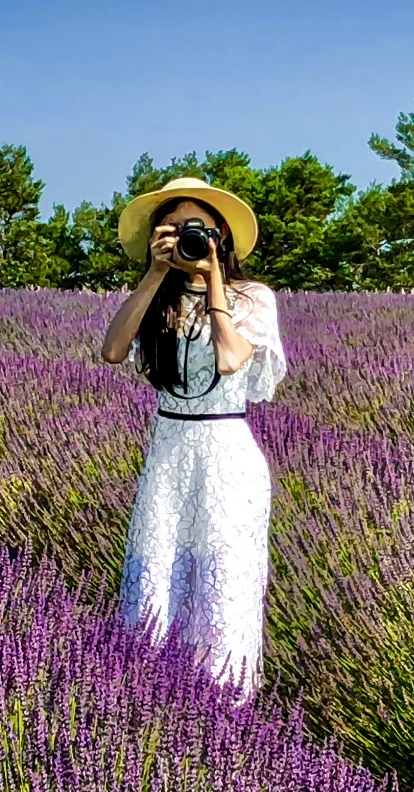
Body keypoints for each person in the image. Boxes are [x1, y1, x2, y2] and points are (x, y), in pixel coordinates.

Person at [98, 176, 287, 704]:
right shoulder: (157, 298)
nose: (187, 237)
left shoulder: (254, 299)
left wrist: (216, 287)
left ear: (220, 234)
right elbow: (113, 351)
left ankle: (222, 709)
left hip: (227, 456)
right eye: (173, 228)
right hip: (169, 455)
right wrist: (156, 274)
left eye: (195, 228)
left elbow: (230, 360)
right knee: (157, 578)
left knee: (222, 586)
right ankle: (149, 701)